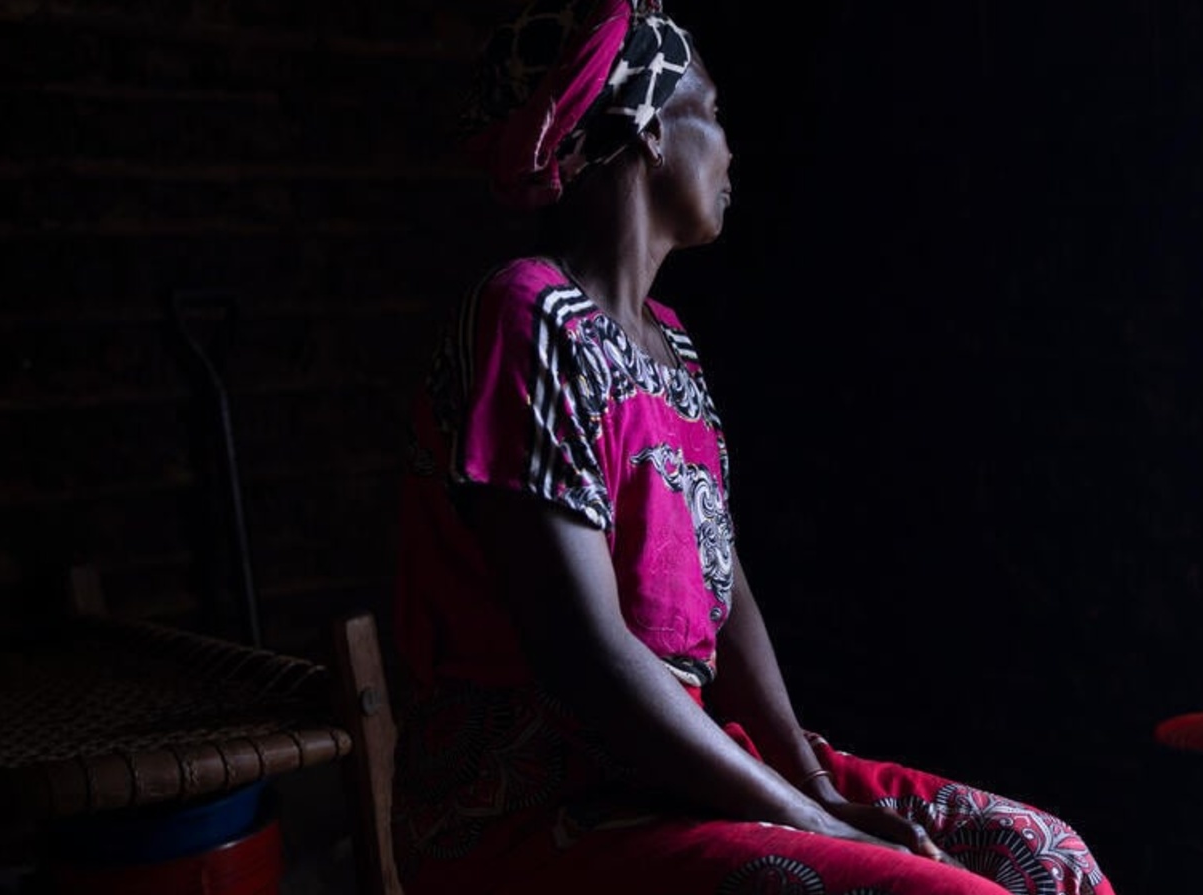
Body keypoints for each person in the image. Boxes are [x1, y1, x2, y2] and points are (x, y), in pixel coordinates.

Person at [390, 2, 1118, 892]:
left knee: (1046, 856)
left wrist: (812, 783)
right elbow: (588, 661)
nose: (733, 151)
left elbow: (722, 584)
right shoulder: (528, 318)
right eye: (717, 113)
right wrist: (808, 821)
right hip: (546, 811)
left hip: (680, 770)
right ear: (651, 128)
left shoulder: (671, 343)